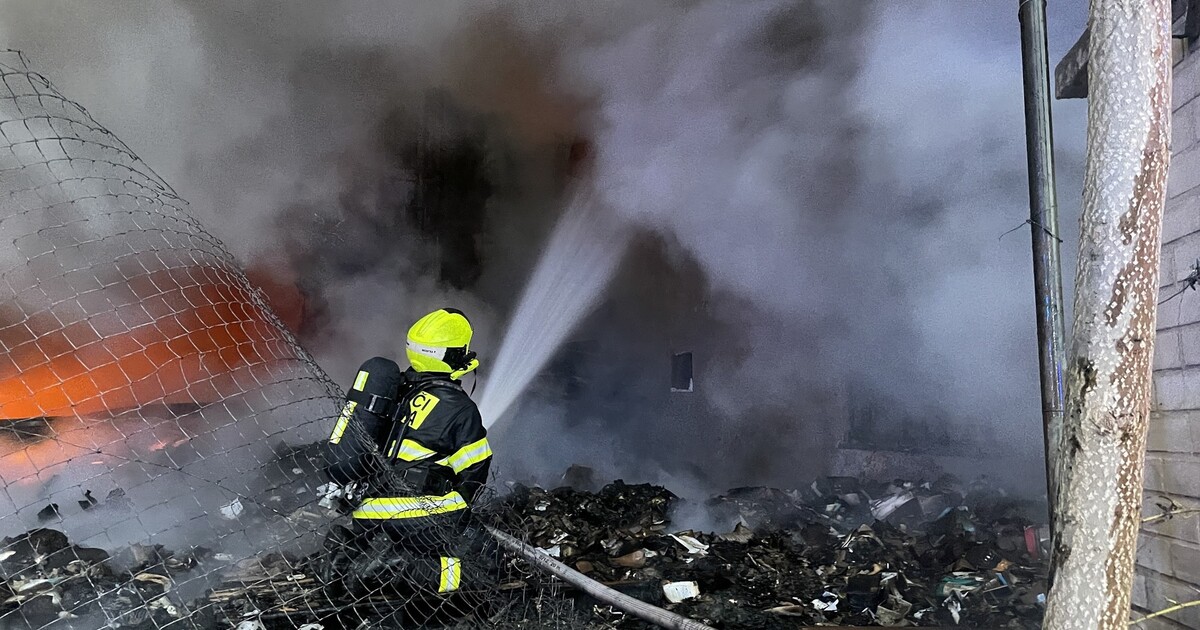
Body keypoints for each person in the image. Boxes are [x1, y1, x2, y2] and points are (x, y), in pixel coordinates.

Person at [322, 307, 492, 597]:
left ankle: (347, 557)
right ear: (453, 355)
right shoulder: (461, 409)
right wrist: (456, 520)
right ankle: (394, 570)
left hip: (369, 511)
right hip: (417, 514)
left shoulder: (395, 391)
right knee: (485, 564)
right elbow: (475, 473)